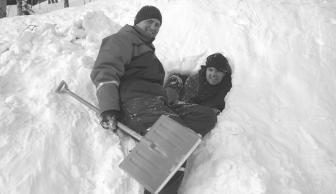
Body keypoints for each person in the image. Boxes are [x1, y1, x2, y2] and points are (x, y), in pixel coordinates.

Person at [90, 5, 217, 194]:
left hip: (157, 104)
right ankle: (163, 155)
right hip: (135, 102)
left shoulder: (148, 52)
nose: (154, 27)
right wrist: (109, 107)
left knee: (206, 117)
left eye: (158, 24)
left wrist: (171, 93)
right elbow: (105, 70)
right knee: (173, 142)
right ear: (137, 22)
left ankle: (162, 143)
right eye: (150, 22)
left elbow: (153, 88)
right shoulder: (123, 39)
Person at [165, 53, 232, 114]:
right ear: (206, 70)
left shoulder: (225, 91)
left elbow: (215, 105)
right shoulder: (195, 79)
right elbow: (186, 101)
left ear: (224, 74)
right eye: (210, 70)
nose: (213, 74)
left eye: (218, 71)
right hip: (180, 94)